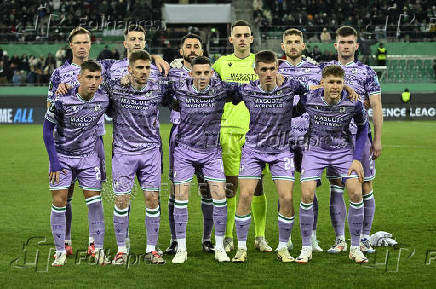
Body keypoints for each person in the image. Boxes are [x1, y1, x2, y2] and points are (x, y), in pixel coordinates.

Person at [231, 50, 308, 263]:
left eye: (272, 68)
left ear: (277, 69)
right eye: (263, 69)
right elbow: (219, 92)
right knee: (245, 195)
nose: (268, 73)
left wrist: (346, 87)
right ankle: (241, 247)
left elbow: (315, 90)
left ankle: (283, 247)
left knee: (286, 197)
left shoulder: (291, 86)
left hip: (281, 150)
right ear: (255, 70)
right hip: (253, 150)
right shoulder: (246, 89)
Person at [295, 65, 369, 264]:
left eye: (338, 82)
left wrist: (356, 158)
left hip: (343, 152)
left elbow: (363, 128)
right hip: (315, 151)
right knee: (307, 193)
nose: (335, 86)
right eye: (331, 82)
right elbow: (293, 112)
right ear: (323, 83)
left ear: (343, 84)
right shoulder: (308, 98)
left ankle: (354, 248)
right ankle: (306, 248)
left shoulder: (353, 103)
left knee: (355, 192)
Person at [321, 26, 382, 255]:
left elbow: (376, 106)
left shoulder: (368, 72)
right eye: (342, 42)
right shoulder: (325, 70)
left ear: (356, 45)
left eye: (350, 42)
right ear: (335, 45)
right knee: (336, 185)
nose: (345, 46)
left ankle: (364, 238)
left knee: (365, 185)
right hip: (333, 136)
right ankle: (340, 239)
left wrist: (377, 139)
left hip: (360, 136)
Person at [43, 60, 110, 266]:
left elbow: (99, 133)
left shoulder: (104, 99)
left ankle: (97, 250)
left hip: (89, 157)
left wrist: (101, 160)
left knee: (95, 202)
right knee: (59, 201)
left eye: (97, 77)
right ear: (79, 77)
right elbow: (46, 130)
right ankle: (60, 251)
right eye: (89, 77)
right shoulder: (62, 101)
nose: (93, 82)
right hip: (62, 156)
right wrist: (54, 162)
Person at [213, 20, 272, 253]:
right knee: (231, 185)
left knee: (257, 186)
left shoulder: (261, 63)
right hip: (227, 130)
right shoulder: (220, 64)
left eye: (246, 35)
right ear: (231, 39)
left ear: (251, 38)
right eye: (237, 35)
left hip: (256, 132)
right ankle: (228, 236)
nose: (242, 39)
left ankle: (259, 236)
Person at [170, 56, 235, 264]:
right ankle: (181, 249)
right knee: (181, 198)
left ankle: (219, 248)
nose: (202, 77)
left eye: (206, 73)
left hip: (211, 152)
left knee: (220, 197)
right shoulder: (180, 89)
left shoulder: (222, 90)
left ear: (212, 73)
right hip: (184, 151)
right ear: (191, 74)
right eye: (198, 73)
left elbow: (246, 90)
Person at [108, 50, 169, 265]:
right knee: (121, 200)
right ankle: (121, 250)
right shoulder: (115, 88)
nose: (144, 72)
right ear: (130, 69)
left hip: (151, 151)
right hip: (124, 152)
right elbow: (93, 88)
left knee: (152, 199)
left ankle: (152, 250)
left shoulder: (159, 88)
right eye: (140, 68)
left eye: (147, 68)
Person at [165, 33, 215, 255]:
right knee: (176, 191)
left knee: (207, 191)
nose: (193, 49)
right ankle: (175, 240)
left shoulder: (213, 75)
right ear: (181, 51)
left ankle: (207, 239)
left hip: (207, 136)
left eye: (196, 46)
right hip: (180, 135)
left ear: (202, 52)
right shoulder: (170, 72)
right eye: (188, 46)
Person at [279, 28, 323, 252]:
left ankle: (311, 236)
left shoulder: (317, 70)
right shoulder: (275, 69)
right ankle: (285, 238)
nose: (293, 45)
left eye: (297, 41)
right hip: (282, 139)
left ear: (303, 46)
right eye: (289, 42)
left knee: (310, 190)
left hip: (309, 139)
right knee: (284, 191)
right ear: (283, 46)